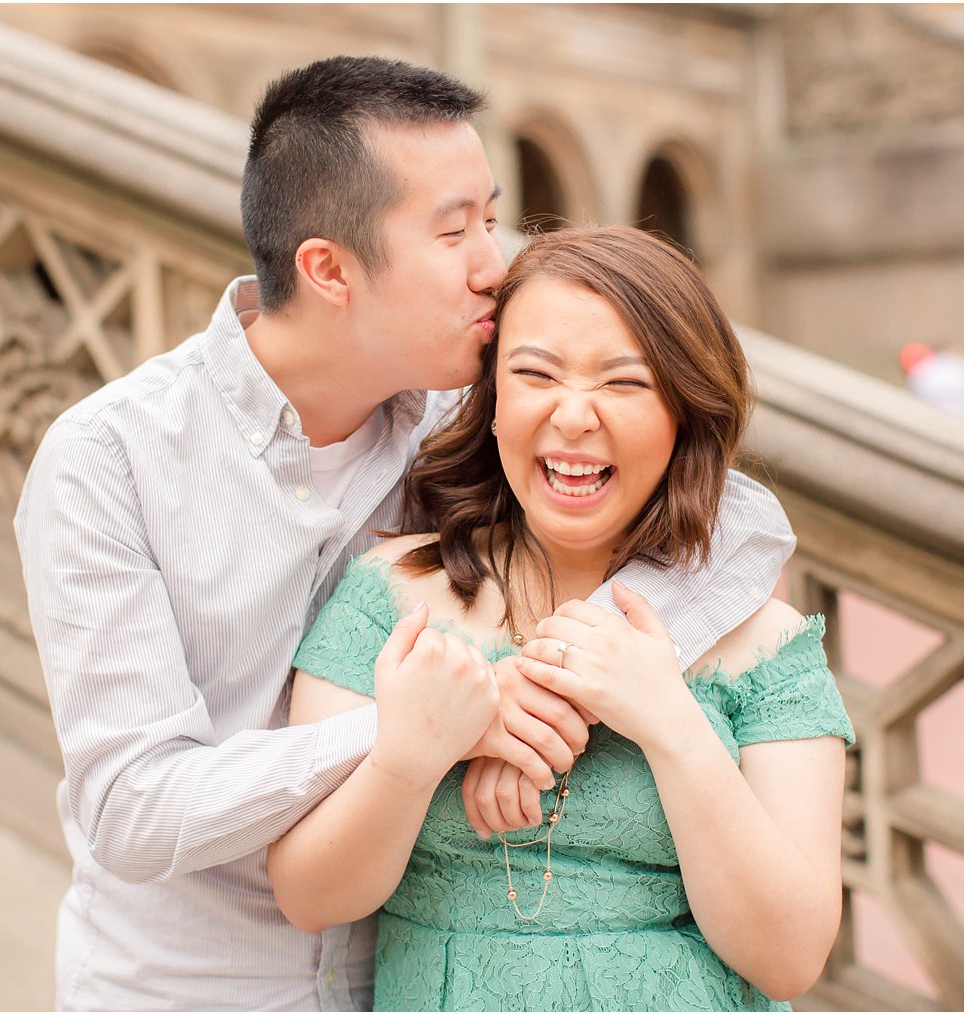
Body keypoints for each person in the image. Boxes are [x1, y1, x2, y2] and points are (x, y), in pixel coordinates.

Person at [14, 58, 797, 1011]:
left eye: (491, 216)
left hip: (402, 983)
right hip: (186, 991)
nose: (494, 264)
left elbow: (744, 520)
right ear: (329, 269)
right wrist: (414, 732)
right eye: (453, 229)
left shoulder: (457, 418)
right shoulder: (108, 460)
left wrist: (554, 690)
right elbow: (127, 804)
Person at [270, 227, 855, 1011]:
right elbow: (308, 895)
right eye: (535, 373)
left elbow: (790, 959)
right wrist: (415, 752)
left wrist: (668, 721)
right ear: (494, 401)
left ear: (686, 410)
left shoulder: (765, 641)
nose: (574, 416)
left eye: (624, 383)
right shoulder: (392, 597)